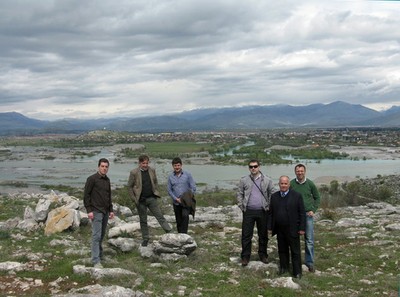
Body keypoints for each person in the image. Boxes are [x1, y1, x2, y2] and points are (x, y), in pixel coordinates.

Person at [236, 159, 276, 267]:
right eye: (251, 167)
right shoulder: (244, 180)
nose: (253, 168)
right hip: (248, 210)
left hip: (263, 211)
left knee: (263, 235)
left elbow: (272, 193)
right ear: (249, 168)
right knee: (246, 235)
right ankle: (245, 256)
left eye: (255, 166)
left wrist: (269, 207)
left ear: (259, 167)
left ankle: (263, 255)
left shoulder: (267, 180)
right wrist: (241, 205)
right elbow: (239, 193)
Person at [127, 154, 172, 247]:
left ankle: (168, 231)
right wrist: (134, 199)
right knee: (143, 220)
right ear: (139, 163)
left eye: (147, 163)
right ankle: (145, 238)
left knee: (159, 216)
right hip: (140, 200)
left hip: (151, 198)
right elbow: (129, 186)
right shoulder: (134, 172)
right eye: (143, 163)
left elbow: (155, 182)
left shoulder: (152, 170)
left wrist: (155, 191)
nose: (145, 165)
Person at [268, 176, 306, 278]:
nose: (283, 185)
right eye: (282, 183)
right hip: (279, 229)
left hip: (293, 228)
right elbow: (271, 213)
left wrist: (302, 228)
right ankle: (284, 268)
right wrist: (270, 227)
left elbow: (302, 213)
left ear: (289, 185)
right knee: (282, 250)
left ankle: (297, 272)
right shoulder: (274, 196)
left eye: (285, 184)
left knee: (295, 251)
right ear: (279, 184)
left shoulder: (297, 196)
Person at [84, 158, 114, 268]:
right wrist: (89, 210)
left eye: (106, 166)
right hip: (96, 211)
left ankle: (100, 255)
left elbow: (108, 196)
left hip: (105, 211)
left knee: (101, 235)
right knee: (96, 236)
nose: (104, 168)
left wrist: (111, 210)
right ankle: (95, 260)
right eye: (102, 166)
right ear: (98, 167)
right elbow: (86, 195)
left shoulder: (107, 180)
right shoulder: (92, 179)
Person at [290, 163, 321, 273]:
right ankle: (296, 261)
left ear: (305, 172)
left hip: (307, 215)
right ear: (295, 172)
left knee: (309, 240)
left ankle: (309, 262)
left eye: (301, 171)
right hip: (295, 216)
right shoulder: (291, 184)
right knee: (294, 239)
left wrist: (313, 209)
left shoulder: (310, 184)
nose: (300, 173)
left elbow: (317, 198)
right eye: (298, 171)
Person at [167, 157, 196, 234]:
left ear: (181, 165)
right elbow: (169, 190)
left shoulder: (187, 175)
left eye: (178, 165)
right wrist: (176, 199)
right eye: (175, 165)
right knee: (178, 220)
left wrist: (188, 197)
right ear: (173, 166)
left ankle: (184, 234)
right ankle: (180, 235)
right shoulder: (170, 177)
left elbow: (193, 187)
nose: (177, 167)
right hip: (176, 202)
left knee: (185, 216)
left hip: (186, 202)